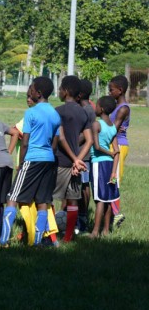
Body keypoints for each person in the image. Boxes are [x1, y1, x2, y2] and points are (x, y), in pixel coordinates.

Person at [0, 77, 61, 247]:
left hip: (32, 159)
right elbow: (55, 144)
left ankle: (3, 240)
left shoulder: (31, 113)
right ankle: (38, 242)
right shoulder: (55, 114)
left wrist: (21, 164)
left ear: (38, 93)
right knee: (42, 201)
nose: (30, 92)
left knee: (12, 196)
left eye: (32, 89)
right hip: (49, 160)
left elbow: (25, 142)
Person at [53, 76, 92, 242]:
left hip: (60, 162)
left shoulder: (58, 111)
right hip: (76, 165)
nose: (59, 91)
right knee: (73, 200)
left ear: (66, 91)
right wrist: (78, 160)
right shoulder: (83, 112)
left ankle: (51, 235)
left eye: (61, 88)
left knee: (48, 198)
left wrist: (74, 159)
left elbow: (60, 138)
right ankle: (68, 236)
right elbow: (89, 140)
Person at [90, 96, 120, 238]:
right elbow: (117, 152)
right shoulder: (113, 127)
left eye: (96, 105)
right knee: (108, 198)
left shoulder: (97, 125)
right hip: (109, 165)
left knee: (99, 199)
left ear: (101, 108)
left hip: (98, 163)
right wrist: (114, 171)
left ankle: (95, 231)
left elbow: (96, 146)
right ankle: (106, 230)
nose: (94, 107)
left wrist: (109, 152)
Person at [108, 75, 130, 227]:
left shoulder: (123, 108)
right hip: (113, 144)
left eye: (112, 90)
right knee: (110, 178)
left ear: (120, 90)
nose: (110, 92)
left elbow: (112, 130)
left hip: (119, 146)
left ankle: (116, 214)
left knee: (114, 180)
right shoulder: (116, 106)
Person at [77, 79, 95, 232]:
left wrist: (70, 143)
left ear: (80, 94)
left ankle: (82, 218)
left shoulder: (87, 111)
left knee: (83, 185)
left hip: (84, 154)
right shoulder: (83, 108)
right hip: (80, 153)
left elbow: (84, 134)